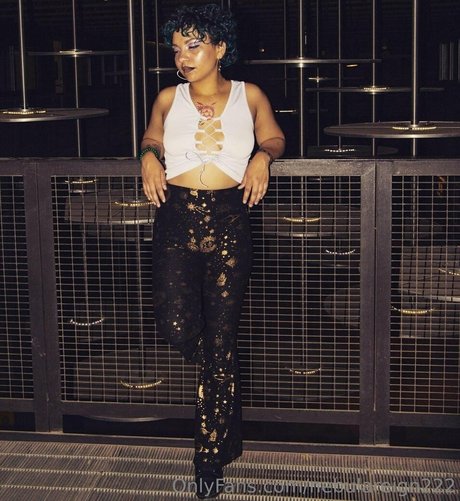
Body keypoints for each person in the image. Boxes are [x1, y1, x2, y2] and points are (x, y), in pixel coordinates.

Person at [139, 3, 285, 499]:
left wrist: (263, 156)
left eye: (194, 45)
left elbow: (274, 136)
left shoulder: (250, 94)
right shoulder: (167, 97)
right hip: (176, 217)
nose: (183, 56)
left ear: (220, 48)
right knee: (174, 322)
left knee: (221, 338)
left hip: (229, 219)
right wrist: (148, 156)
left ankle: (209, 455)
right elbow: (152, 136)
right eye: (176, 48)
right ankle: (223, 377)